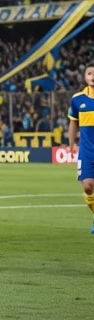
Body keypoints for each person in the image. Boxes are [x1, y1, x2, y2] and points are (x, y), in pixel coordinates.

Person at [67, 65, 94, 233]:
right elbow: (73, 123)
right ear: (85, 77)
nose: (93, 76)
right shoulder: (77, 99)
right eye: (90, 73)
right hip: (86, 150)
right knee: (87, 187)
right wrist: (70, 144)